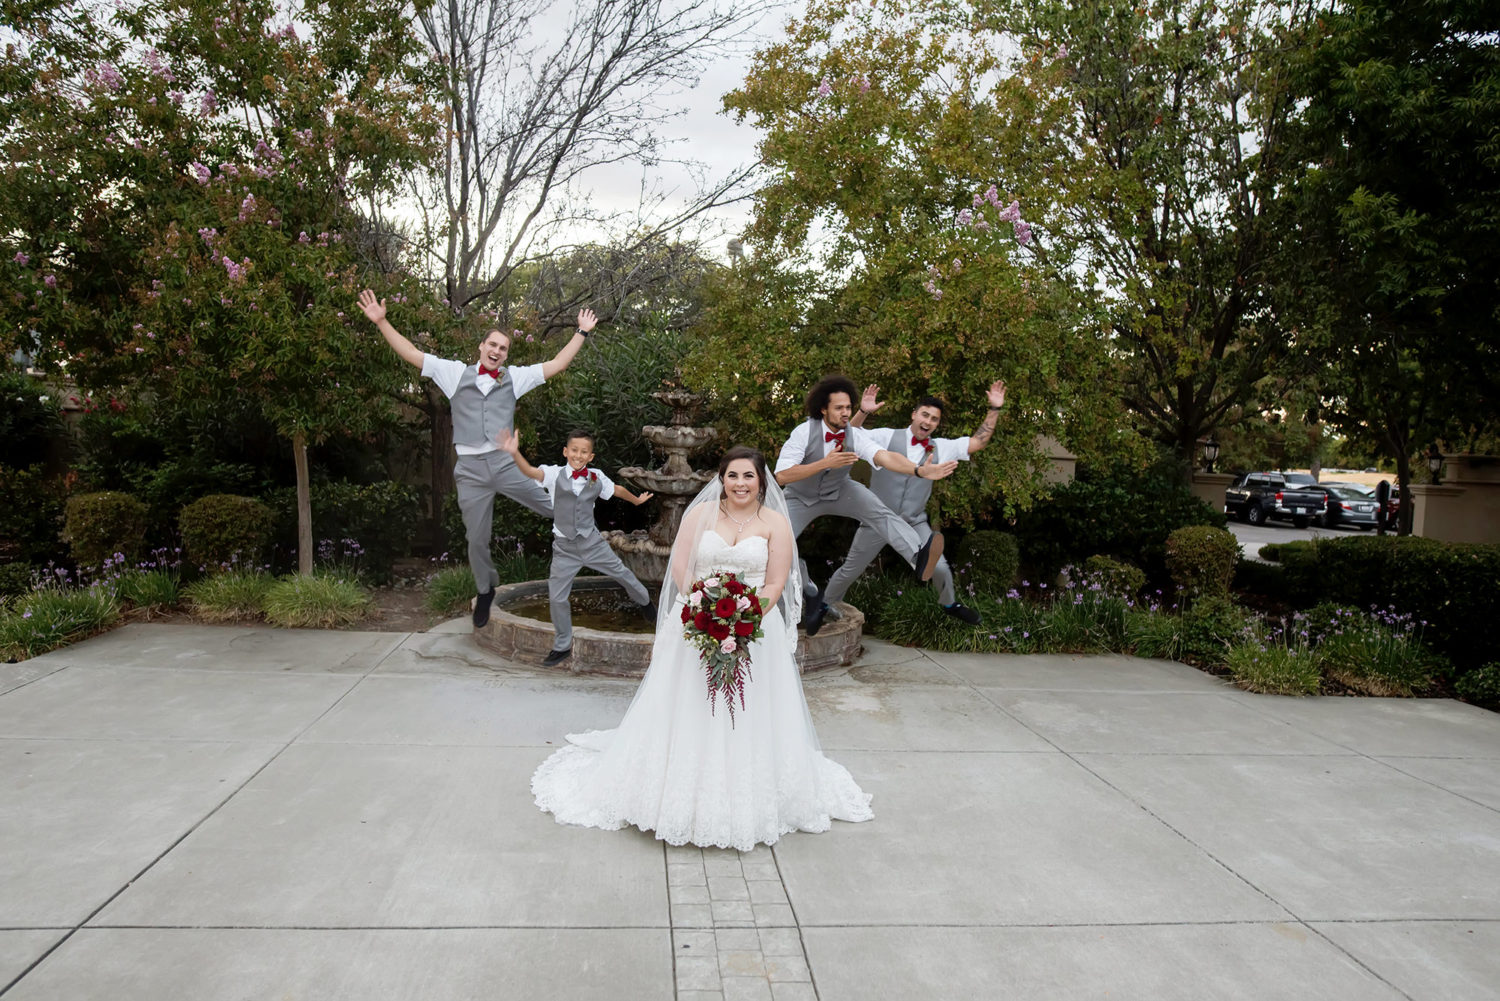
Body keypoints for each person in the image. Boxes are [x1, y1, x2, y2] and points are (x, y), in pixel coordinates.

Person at [531, 446, 873, 851]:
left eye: (748, 476)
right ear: (722, 479)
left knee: (747, 710)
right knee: (688, 702)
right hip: (694, 618)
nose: (740, 484)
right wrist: (703, 605)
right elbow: (681, 565)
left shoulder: (776, 524)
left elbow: (775, 583)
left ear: (761, 480)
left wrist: (743, 616)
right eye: (733, 476)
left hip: (752, 628)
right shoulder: (701, 514)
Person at [356, 289, 596, 627]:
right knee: (475, 538)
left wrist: (581, 332)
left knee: (556, 507)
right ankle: (485, 590)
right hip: (470, 471)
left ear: (506, 355)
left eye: (503, 348)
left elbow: (557, 364)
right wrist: (382, 322)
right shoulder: (454, 373)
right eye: (492, 345)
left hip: (505, 464)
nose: (497, 351)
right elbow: (411, 353)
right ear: (481, 348)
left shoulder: (516, 378)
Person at [774, 374, 958, 636]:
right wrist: (825, 463)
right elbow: (782, 476)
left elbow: (885, 456)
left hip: (840, 489)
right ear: (823, 409)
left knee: (880, 511)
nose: (846, 413)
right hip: (800, 497)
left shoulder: (853, 434)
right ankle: (809, 588)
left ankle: (918, 556)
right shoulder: (804, 432)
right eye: (839, 408)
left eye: (848, 407)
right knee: (777, 545)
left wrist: (918, 471)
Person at [823, 380, 1009, 626]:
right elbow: (851, 435)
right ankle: (824, 606)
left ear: (937, 424)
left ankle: (950, 604)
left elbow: (978, 442)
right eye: (924, 414)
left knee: (940, 567)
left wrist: (994, 408)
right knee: (850, 569)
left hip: (914, 522)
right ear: (914, 414)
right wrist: (864, 411)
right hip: (878, 519)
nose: (928, 421)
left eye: (934, 419)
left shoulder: (942, 447)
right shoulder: (887, 436)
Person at [496, 428, 657, 665]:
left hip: (592, 543)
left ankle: (645, 602)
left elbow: (617, 491)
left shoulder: (596, 477)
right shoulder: (554, 474)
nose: (578, 455)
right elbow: (530, 471)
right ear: (565, 451)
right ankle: (562, 646)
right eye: (574, 450)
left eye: (584, 452)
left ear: (591, 456)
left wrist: (637, 500)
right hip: (564, 548)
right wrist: (514, 453)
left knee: (623, 574)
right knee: (557, 597)